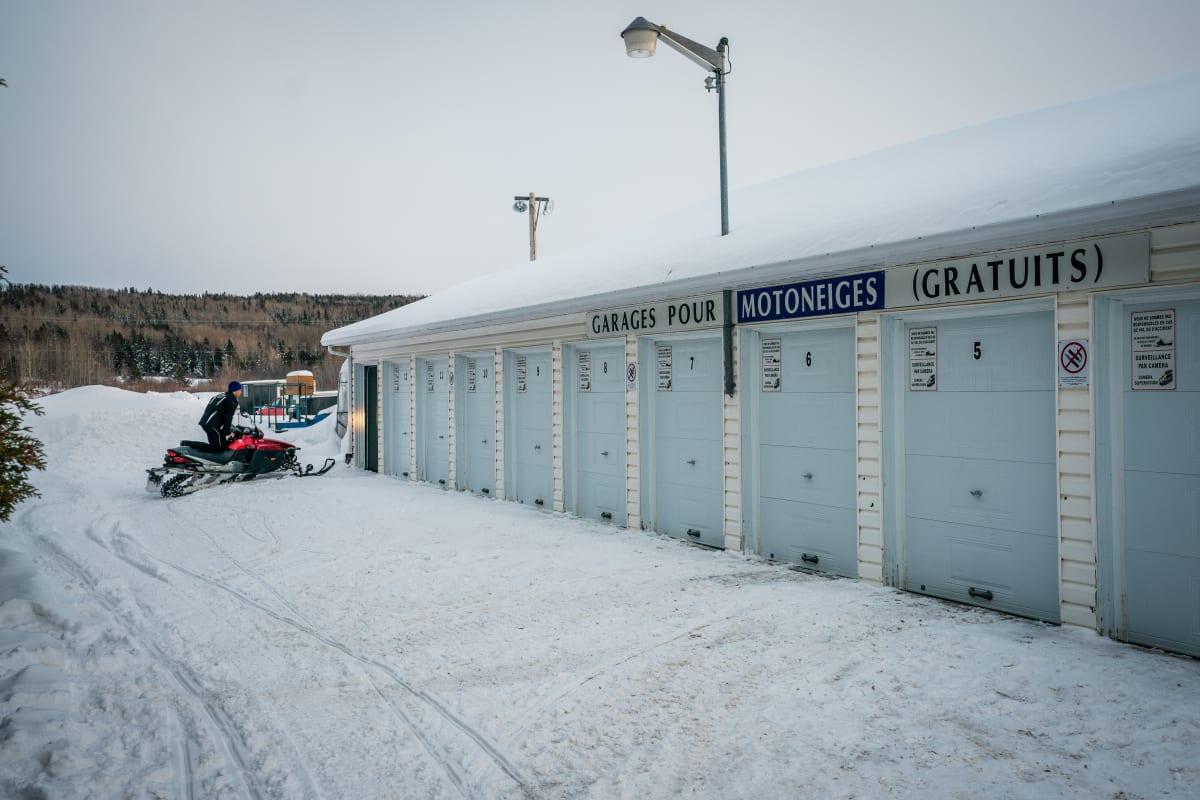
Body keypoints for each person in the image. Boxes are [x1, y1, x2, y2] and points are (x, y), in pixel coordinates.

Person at [199, 381, 243, 449]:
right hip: (211, 424)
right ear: (235, 390)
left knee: (223, 444)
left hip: (208, 422)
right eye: (240, 390)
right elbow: (228, 417)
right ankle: (188, 446)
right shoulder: (231, 400)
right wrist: (228, 432)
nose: (241, 392)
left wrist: (227, 430)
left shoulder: (222, 396)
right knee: (217, 448)